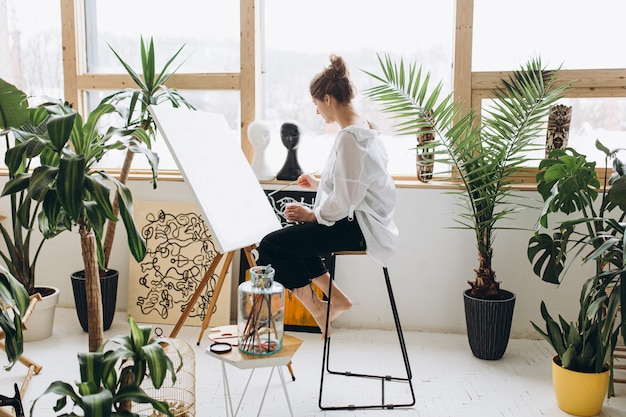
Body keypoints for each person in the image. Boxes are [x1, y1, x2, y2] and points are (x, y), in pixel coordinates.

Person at [256, 54, 398, 337]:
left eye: (316, 104)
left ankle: (319, 309)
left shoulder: (349, 137)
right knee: (299, 238)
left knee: (271, 246)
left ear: (328, 98)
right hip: (366, 224)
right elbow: (356, 183)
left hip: (356, 228)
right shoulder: (365, 128)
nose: (317, 112)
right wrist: (319, 183)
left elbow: (345, 201)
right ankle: (336, 299)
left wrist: (312, 213)